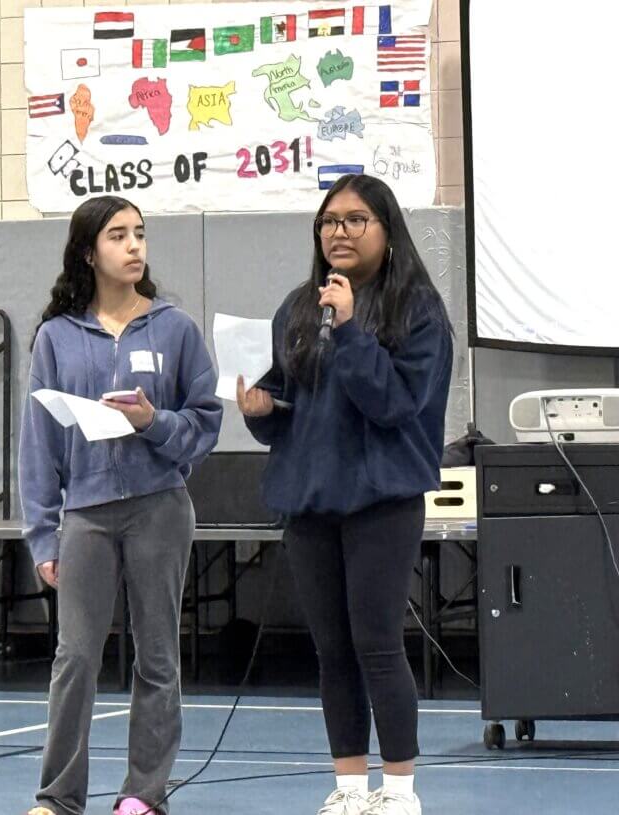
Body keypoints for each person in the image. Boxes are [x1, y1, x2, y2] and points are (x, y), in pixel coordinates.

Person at [236, 174, 452, 815]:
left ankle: (400, 789)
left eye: (356, 220)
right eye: (330, 221)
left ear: (388, 232)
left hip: (381, 500)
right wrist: (259, 411)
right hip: (310, 500)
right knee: (331, 651)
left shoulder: (417, 310)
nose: (339, 232)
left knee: (377, 643)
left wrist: (354, 332)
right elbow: (290, 405)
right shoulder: (301, 307)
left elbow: (395, 406)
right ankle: (351, 786)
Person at [20, 195, 222, 815]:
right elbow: (38, 441)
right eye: (118, 236)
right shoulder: (56, 337)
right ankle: (58, 797)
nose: (134, 246)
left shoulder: (175, 329)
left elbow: (205, 421)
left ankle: (143, 795)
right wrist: (42, 535)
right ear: (89, 252)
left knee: (157, 656)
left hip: (159, 508)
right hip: (84, 516)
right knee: (75, 657)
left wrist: (153, 422)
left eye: (140, 234)